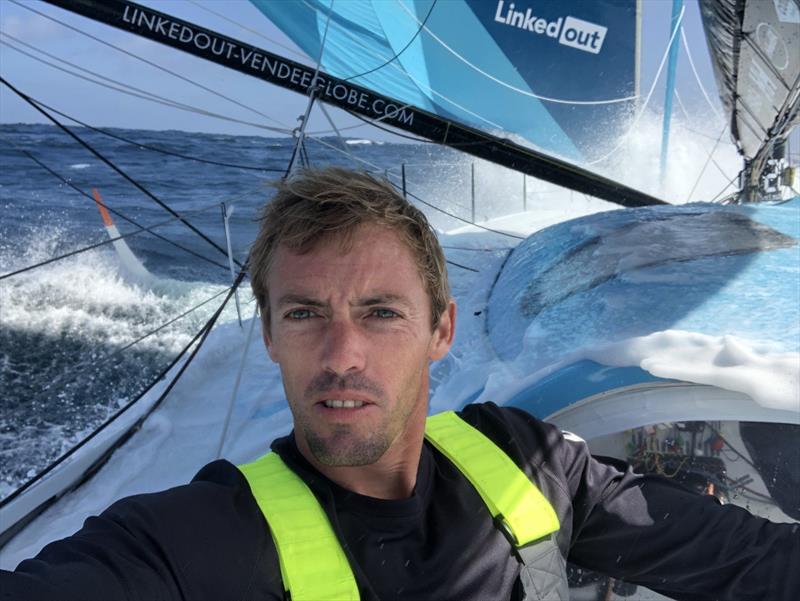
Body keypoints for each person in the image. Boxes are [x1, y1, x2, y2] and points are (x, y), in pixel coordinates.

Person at [2, 167, 798, 601]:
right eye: (307, 312)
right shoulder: (204, 537)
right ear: (271, 335)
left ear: (440, 329)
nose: (342, 352)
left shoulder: (530, 461)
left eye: (381, 312)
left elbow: (747, 560)